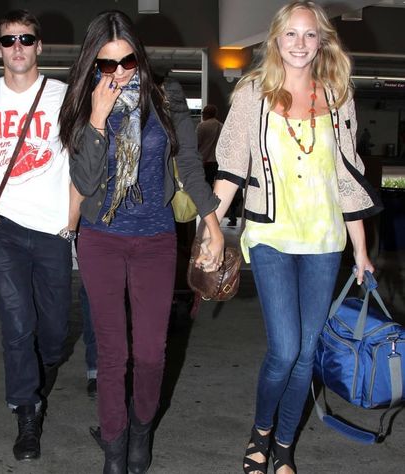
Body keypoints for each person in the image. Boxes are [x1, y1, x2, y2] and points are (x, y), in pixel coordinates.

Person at [210, 2, 382, 473]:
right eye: (291, 34)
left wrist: (361, 250)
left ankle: (283, 446)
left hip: (326, 239)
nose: (300, 44)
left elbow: (347, 179)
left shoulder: (339, 95)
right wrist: (211, 228)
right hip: (271, 235)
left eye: (309, 35)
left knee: (307, 352)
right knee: (285, 348)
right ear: (276, 40)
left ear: (322, 39)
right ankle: (260, 431)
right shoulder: (251, 92)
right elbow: (231, 166)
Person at [59, 10, 224, 474]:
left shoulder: (166, 96)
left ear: (141, 55)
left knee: (151, 353)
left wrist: (212, 224)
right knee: (113, 354)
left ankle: (141, 430)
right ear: (93, 64)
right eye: (107, 65)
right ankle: (114, 446)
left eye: (127, 61)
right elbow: (85, 181)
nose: (119, 73)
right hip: (101, 240)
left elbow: (189, 165)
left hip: (154, 238)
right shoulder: (81, 103)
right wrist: (96, 117)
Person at [0, 9, 79, 462]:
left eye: (26, 40)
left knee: (51, 333)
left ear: (39, 47)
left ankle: (42, 366)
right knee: (16, 327)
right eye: (9, 41)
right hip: (3, 231)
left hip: (52, 232)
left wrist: (71, 218)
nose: (18, 48)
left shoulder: (64, 98)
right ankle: (26, 412)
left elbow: (81, 165)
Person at [196, 104, 223, 188]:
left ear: (205, 114)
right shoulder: (221, 126)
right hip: (217, 161)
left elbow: (196, 143)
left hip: (204, 161)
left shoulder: (202, 126)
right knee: (213, 184)